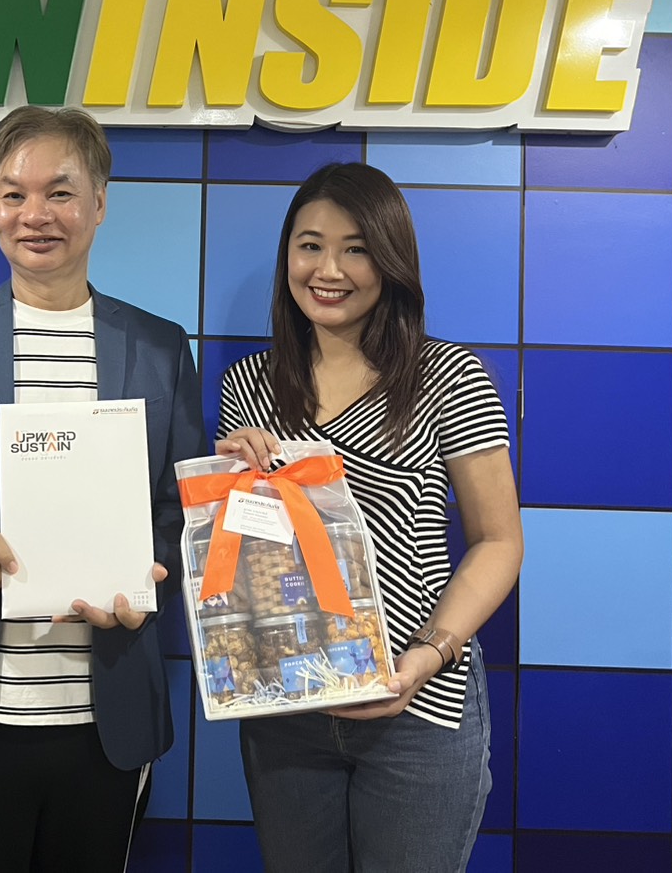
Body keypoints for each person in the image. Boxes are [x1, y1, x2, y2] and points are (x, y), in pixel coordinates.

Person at [0, 106, 206, 872]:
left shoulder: (157, 346)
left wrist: (146, 575)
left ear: (99, 203)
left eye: (60, 192)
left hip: (106, 712)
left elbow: (180, 506)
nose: (34, 214)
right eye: (13, 194)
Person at [215, 162, 522, 873]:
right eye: (310, 246)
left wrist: (428, 656)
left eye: (355, 249)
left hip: (418, 705)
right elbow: (245, 562)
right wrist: (230, 480)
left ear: (390, 261)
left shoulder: (447, 376)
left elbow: (498, 541)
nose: (328, 270)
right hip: (286, 705)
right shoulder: (249, 385)